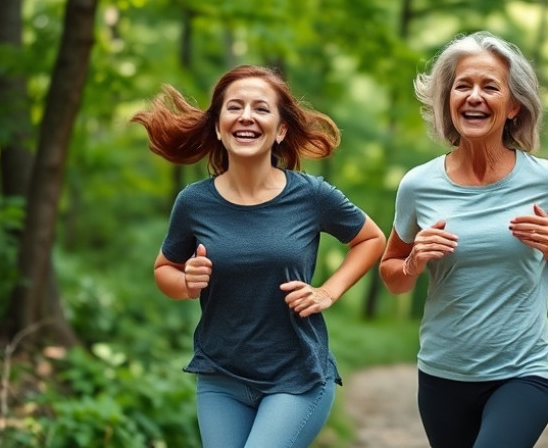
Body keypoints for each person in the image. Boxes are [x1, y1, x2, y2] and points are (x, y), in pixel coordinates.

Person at [379, 31, 548, 448]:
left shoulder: (545, 179)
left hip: (524, 375)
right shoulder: (418, 186)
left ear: (513, 106)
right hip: (442, 375)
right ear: (447, 101)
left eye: (490, 86)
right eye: (463, 85)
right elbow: (392, 277)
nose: (474, 96)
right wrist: (412, 262)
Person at [132, 65, 386, 448]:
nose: (246, 116)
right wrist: (186, 283)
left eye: (261, 109)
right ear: (219, 126)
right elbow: (164, 269)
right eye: (234, 107)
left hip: (296, 377)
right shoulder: (195, 202)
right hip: (220, 378)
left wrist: (328, 292)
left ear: (281, 129)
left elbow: (371, 239)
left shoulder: (311, 196)